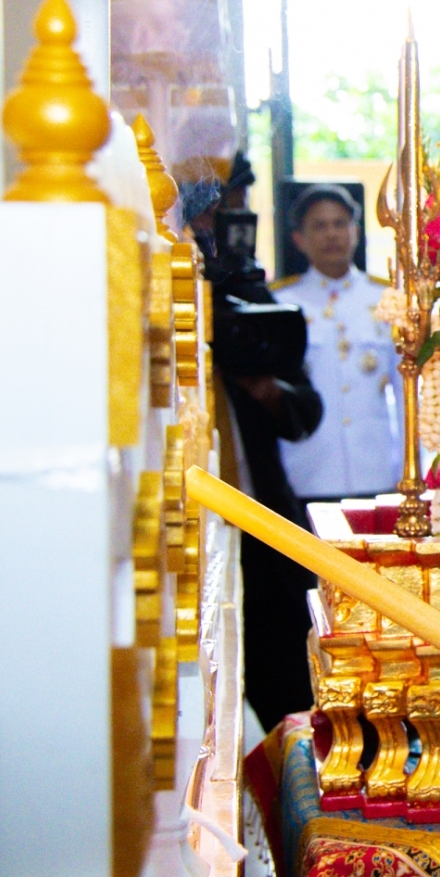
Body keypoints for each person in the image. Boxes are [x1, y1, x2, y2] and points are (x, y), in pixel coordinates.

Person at [184, 157, 325, 730]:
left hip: (261, 511)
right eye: (218, 212)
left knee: (288, 672)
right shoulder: (171, 293)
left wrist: (264, 389)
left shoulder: (247, 291)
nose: (225, 224)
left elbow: (304, 409)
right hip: (190, 522)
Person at [274, 185, 402, 502]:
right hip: (308, 470)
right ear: (299, 239)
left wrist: (408, 469)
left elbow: (404, 389)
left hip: (375, 469)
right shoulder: (281, 302)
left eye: (340, 224)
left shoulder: (387, 299)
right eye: (319, 226)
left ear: (355, 231)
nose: (331, 234)